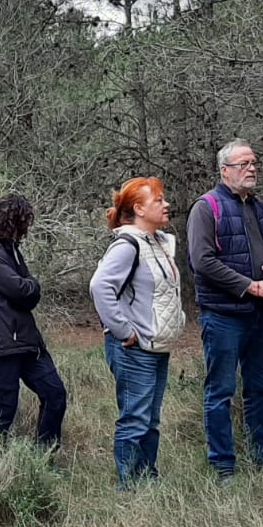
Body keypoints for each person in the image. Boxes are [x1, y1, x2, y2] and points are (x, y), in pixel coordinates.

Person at [186, 140, 263, 481]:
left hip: (261, 315)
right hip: (223, 316)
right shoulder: (206, 207)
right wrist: (250, 285)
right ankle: (223, 465)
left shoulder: (260, 208)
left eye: (254, 162)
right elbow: (202, 262)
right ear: (224, 170)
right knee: (221, 391)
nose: (252, 169)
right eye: (243, 163)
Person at [89, 179, 185, 487]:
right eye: (158, 200)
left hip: (156, 346)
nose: (165, 204)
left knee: (151, 419)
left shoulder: (156, 242)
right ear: (139, 209)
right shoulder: (127, 245)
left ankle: (147, 478)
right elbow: (100, 286)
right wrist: (123, 330)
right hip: (134, 348)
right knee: (135, 418)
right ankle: (128, 485)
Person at [0, 195, 67, 449]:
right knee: (4, 405)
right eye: (23, 222)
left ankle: (44, 456)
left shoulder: (11, 250)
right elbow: (23, 290)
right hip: (1, 341)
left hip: (25, 340)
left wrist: (29, 286)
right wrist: (31, 286)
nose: (25, 229)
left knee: (55, 394)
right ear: (12, 220)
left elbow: (26, 290)